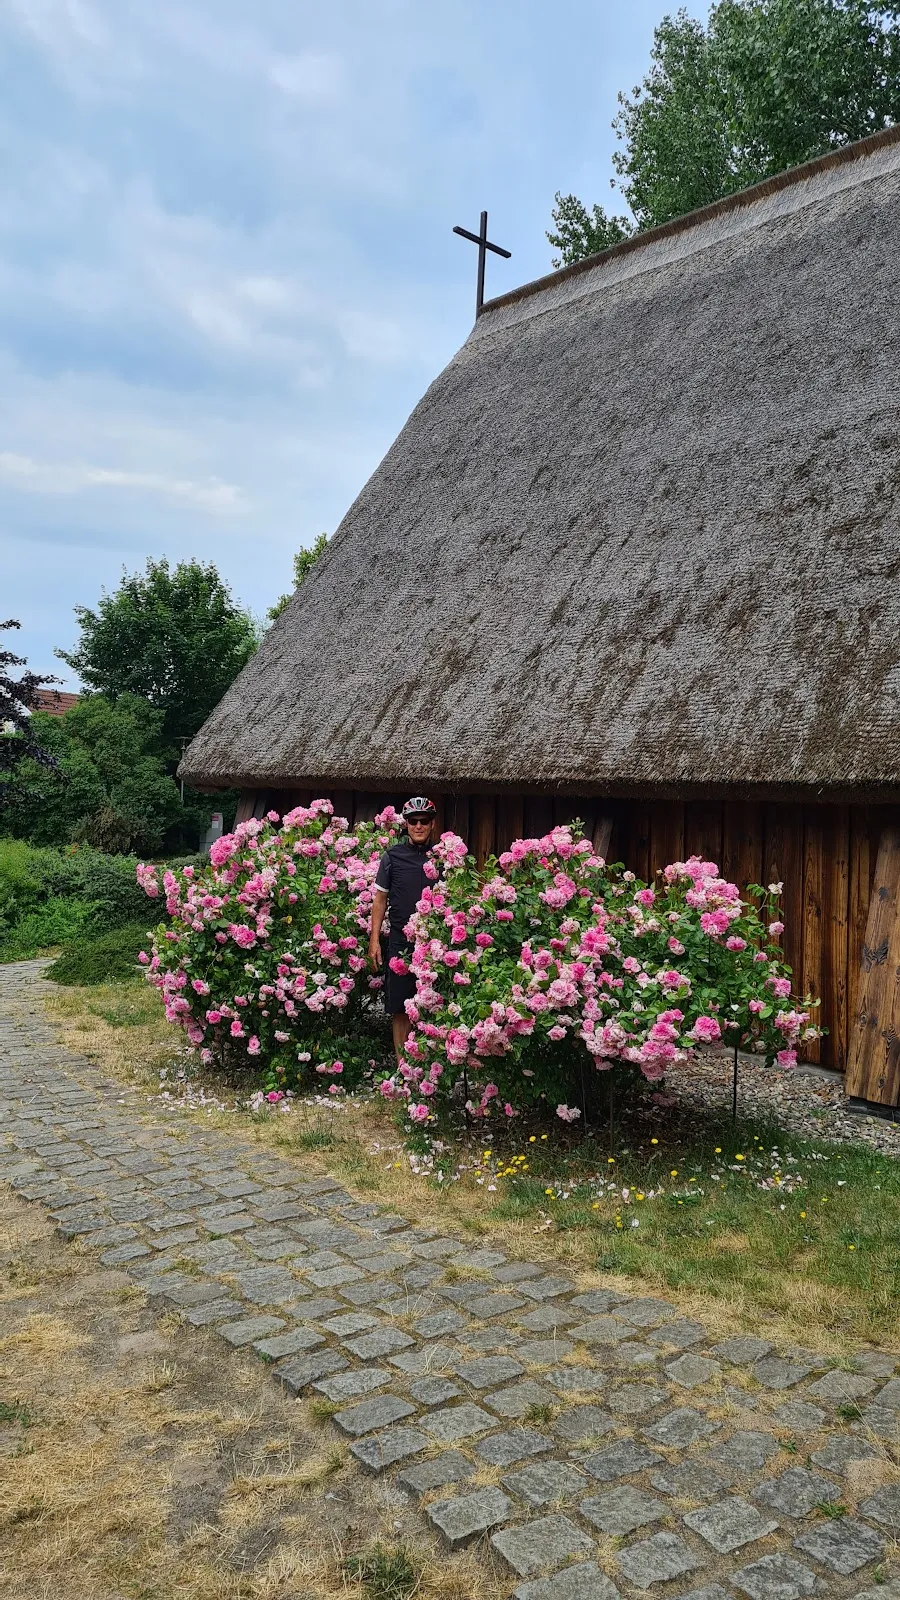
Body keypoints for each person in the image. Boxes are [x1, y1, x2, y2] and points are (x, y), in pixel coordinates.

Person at [369, 796, 437, 1060]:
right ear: (406, 825)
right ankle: (402, 1067)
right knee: (399, 1005)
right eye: (413, 821)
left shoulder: (441, 856)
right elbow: (380, 899)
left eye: (424, 821)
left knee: (432, 1003)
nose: (418, 826)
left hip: (434, 943)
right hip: (400, 941)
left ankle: (429, 1063)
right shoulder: (392, 857)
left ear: (432, 824)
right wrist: (374, 940)